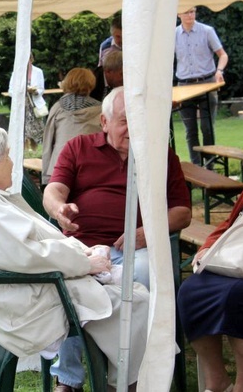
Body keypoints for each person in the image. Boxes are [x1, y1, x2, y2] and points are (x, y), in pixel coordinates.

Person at [0, 123, 148, 390]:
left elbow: (34, 244)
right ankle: (128, 384)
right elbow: (29, 255)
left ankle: (123, 380)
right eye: (6, 155)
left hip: (36, 288)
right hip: (32, 303)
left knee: (133, 292)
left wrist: (83, 253)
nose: (12, 162)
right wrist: (85, 263)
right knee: (137, 299)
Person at [42, 87, 191, 391]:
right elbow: (53, 190)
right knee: (68, 284)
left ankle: (128, 374)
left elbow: (182, 211)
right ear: (104, 122)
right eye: (125, 120)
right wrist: (61, 209)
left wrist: (146, 233)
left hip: (137, 248)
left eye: (139, 120)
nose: (133, 128)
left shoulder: (160, 155)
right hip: (82, 245)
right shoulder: (78, 147)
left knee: (143, 275)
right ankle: (68, 378)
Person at [178, 164, 243, 392]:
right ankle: (217, 382)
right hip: (242, 246)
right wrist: (209, 245)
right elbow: (235, 217)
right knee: (191, 291)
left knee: (240, 295)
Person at [175, 6, 229, 166]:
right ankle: (196, 167)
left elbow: (223, 55)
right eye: (187, 11)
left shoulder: (207, 31)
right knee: (190, 130)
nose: (190, 15)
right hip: (184, 86)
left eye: (192, 11)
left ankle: (210, 166)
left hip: (207, 82)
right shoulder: (173, 34)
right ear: (179, 14)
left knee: (207, 128)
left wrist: (219, 71)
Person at [41, 68, 101, 185]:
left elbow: (47, 143)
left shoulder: (57, 108)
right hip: (91, 167)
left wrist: (46, 179)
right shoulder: (102, 110)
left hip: (60, 167)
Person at [9, 54, 46, 151]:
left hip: (34, 103)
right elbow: (11, 90)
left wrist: (35, 91)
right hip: (22, 104)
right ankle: (23, 148)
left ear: (31, 59)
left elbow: (41, 89)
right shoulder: (16, 72)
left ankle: (34, 147)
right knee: (23, 127)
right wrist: (21, 92)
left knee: (35, 127)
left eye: (28, 59)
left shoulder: (38, 71)